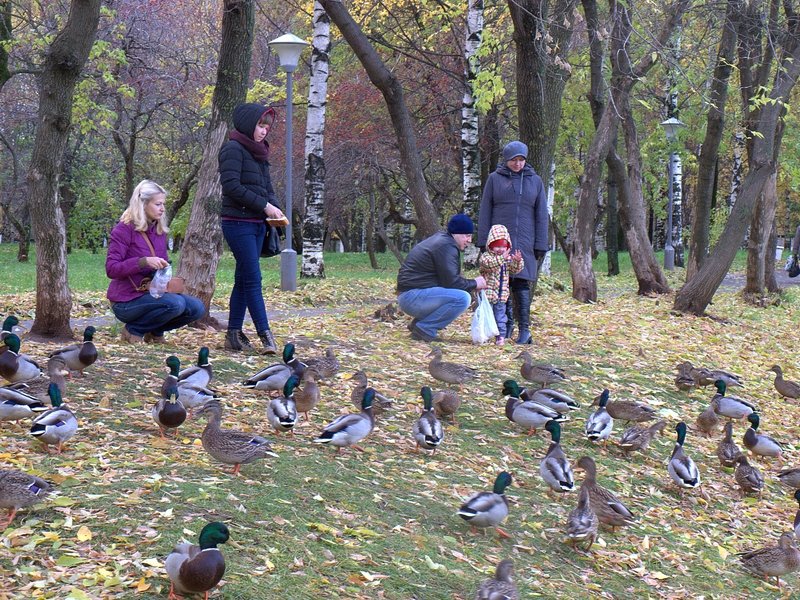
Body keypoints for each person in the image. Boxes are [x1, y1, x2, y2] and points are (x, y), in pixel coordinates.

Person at [218, 102, 287, 354]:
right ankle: (266, 336)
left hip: (258, 224)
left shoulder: (260, 152)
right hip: (237, 223)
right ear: (249, 124)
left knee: (243, 279)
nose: (264, 131)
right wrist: (265, 206)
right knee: (254, 279)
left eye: (267, 127)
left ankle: (233, 334)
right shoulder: (232, 149)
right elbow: (232, 187)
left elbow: (267, 189)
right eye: (260, 125)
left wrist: (276, 212)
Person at [106, 179, 205, 344]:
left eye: (163, 204)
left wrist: (164, 270)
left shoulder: (158, 231)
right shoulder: (123, 229)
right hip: (126, 300)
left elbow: (160, 265)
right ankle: (133, 330)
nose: (162, 208)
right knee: (176, 304)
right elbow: (111, 269)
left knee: (197, 308)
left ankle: (155, 332)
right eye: (158, 204)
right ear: (143, 204)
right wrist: (142, 262)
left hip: (152, 294)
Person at [477, 141, 549, 345]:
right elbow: (485, 210)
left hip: (526, 239)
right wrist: (484, 241)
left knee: (521, 281)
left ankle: (524, 330)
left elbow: (542, 214)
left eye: (521, 160)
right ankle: (505, 327)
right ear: (506, 160)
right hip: (500, 240)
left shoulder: (535, 181)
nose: (518, 164)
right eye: (513, 160)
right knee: (502, 281)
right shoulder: (494, 179)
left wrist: (541, 243)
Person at [397, 214, 487, 342]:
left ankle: (420, 324)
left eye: (470, 235)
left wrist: (472, 284)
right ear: (455, 234)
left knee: (459, 295)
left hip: (410, 295)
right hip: (411, 297)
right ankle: (425, 329)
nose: (469, 240)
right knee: (462, 298)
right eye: (466, 235)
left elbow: (448, 281)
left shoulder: (443, 241)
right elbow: (452, 282)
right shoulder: (446, 246)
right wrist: (475, 283)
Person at [479, 224, 524, 345]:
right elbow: (489, 265)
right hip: (487, 295)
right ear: (490, 246)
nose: (500, 249)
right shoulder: (486, 257)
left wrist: (517, 261)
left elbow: (515, 270)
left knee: (500, 317)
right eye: (496, 246)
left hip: (501, 295)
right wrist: (502, 259)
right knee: (486, 316)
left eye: (503, 246)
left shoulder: (506, 259)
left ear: (508, 247)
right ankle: (484, 336)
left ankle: (500, 337)